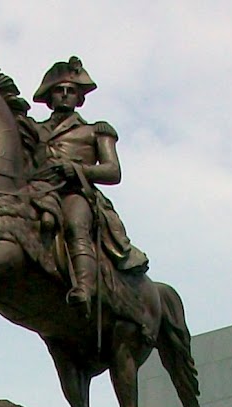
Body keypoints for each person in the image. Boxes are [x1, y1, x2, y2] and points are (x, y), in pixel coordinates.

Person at [28, 56, 148, 313]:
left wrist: (77, 169)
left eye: (70, 91)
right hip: (37, 192)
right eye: (58, 91)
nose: (64, 95)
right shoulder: (34, 130)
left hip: (74, 191)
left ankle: (84, 288)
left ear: (79, 97)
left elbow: (113, 171)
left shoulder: (96, 130)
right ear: (49, 97)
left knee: (75, 225)